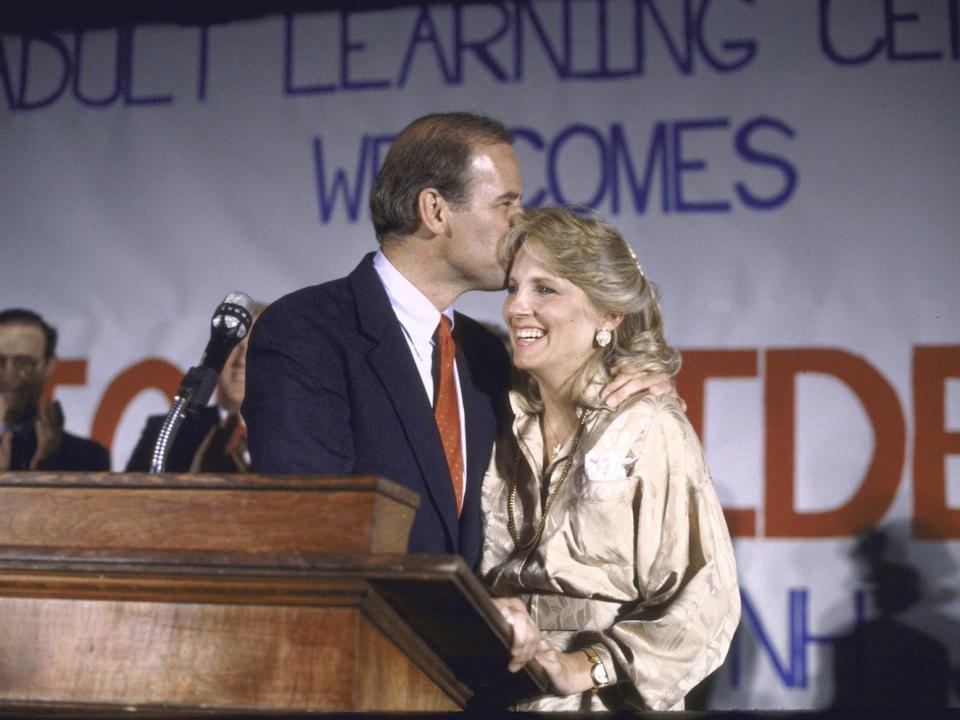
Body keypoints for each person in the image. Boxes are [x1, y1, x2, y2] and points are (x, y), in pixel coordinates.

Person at [243, 112, 671, 565]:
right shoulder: (309, 331)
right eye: (505, 204)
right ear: (435, 211)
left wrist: (626, 386)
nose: (520, 222)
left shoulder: (484, 355)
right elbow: (312, 527)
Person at [478, 207, 740, 711]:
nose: (516, 308)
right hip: (495, 694)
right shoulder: (493, 408)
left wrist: (583, 666)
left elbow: (706, 603)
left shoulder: (648, 425)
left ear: (609, 314)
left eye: (545, 289)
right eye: (513, 288)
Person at [126, 303, 265, 473]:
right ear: (218, 354)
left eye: (255, 348)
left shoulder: (298, 433)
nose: (241, 360)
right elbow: (131, 498)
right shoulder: (167, 431)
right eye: (235, 346)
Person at [0, 308, 110, 472]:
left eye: (24, 362)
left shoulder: (85, 457)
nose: (8, 373)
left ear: (49, 366)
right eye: (0, 360)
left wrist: (43, 464)